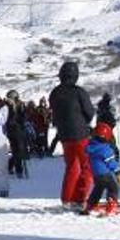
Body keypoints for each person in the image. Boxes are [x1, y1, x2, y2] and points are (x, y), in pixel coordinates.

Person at [49, 61, 94, 210]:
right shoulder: (79, 91)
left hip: (64, 135)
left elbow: (54, 114)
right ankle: (80, 198)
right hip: (80, 134)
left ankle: (67, 199)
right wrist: (84, 122)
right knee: (87, 166)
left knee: (71, 167)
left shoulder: (54, 93)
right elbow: (89, 112)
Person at [82, 123, 120, 216]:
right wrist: (118, 172)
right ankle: (111, 205)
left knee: (98, 189)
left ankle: (90, 205)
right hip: (105, 173)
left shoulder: (90, 146)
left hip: (96, 174)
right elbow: (111, 162)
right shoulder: (105, 149)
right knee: (113, 187)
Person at [5, 90, 28, 178]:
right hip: (11, 131)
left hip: (19, 130)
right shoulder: (6, 106)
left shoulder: (20, 105)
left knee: (19, 151)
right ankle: (18, 170)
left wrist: (22, 113)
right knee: (16, 150)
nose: (9, 100)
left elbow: (23, 117)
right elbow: (6, 118)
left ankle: (10, 166)